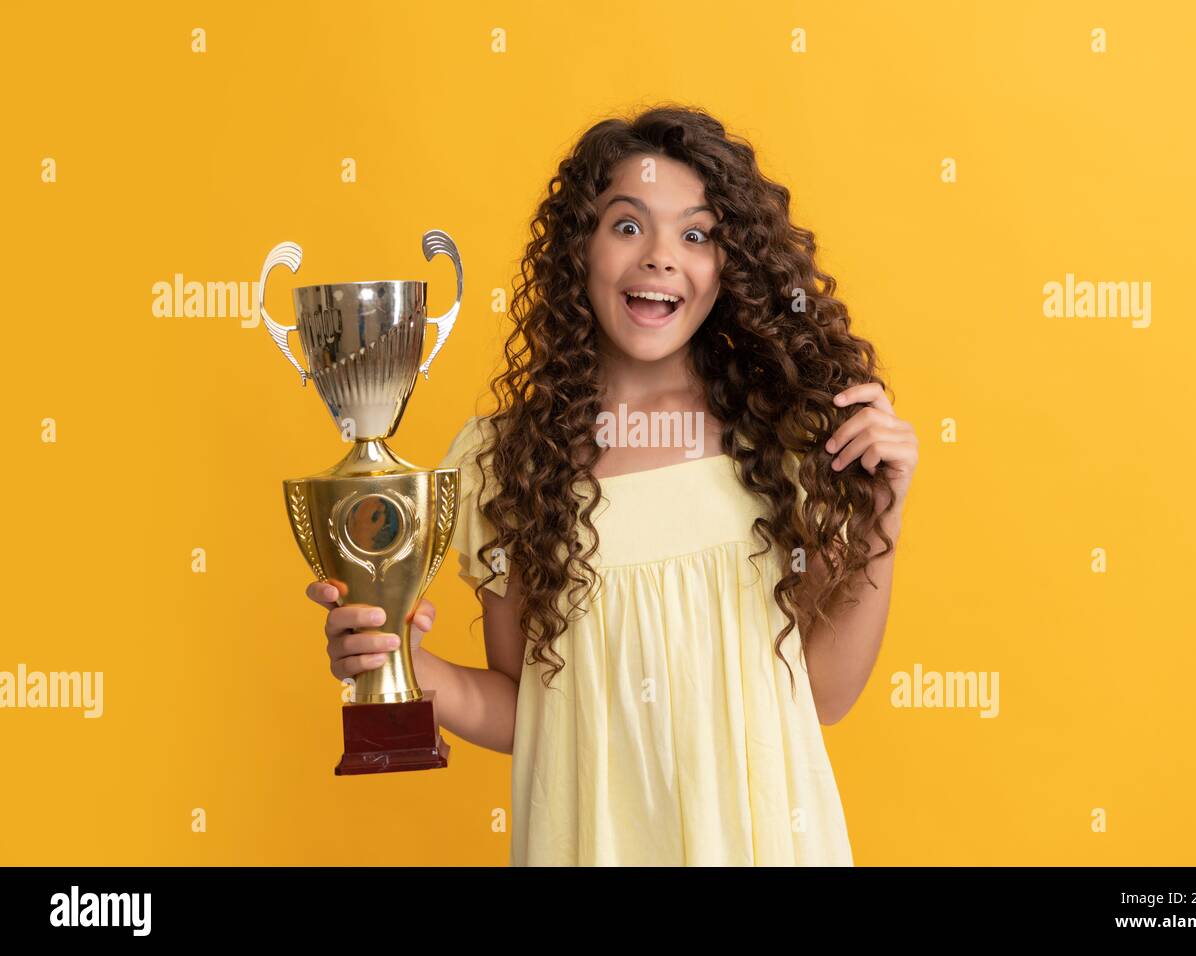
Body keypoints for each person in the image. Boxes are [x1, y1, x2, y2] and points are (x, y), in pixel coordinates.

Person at [306, 104, 919, 865]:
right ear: (579, 252)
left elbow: (824, 694)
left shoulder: (785, 441)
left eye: (695, 234)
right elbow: (529, 705)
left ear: (729, 267)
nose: (661, 256)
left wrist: (882, 513)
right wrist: (403, 661)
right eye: (627, 226)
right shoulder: (511, 464)